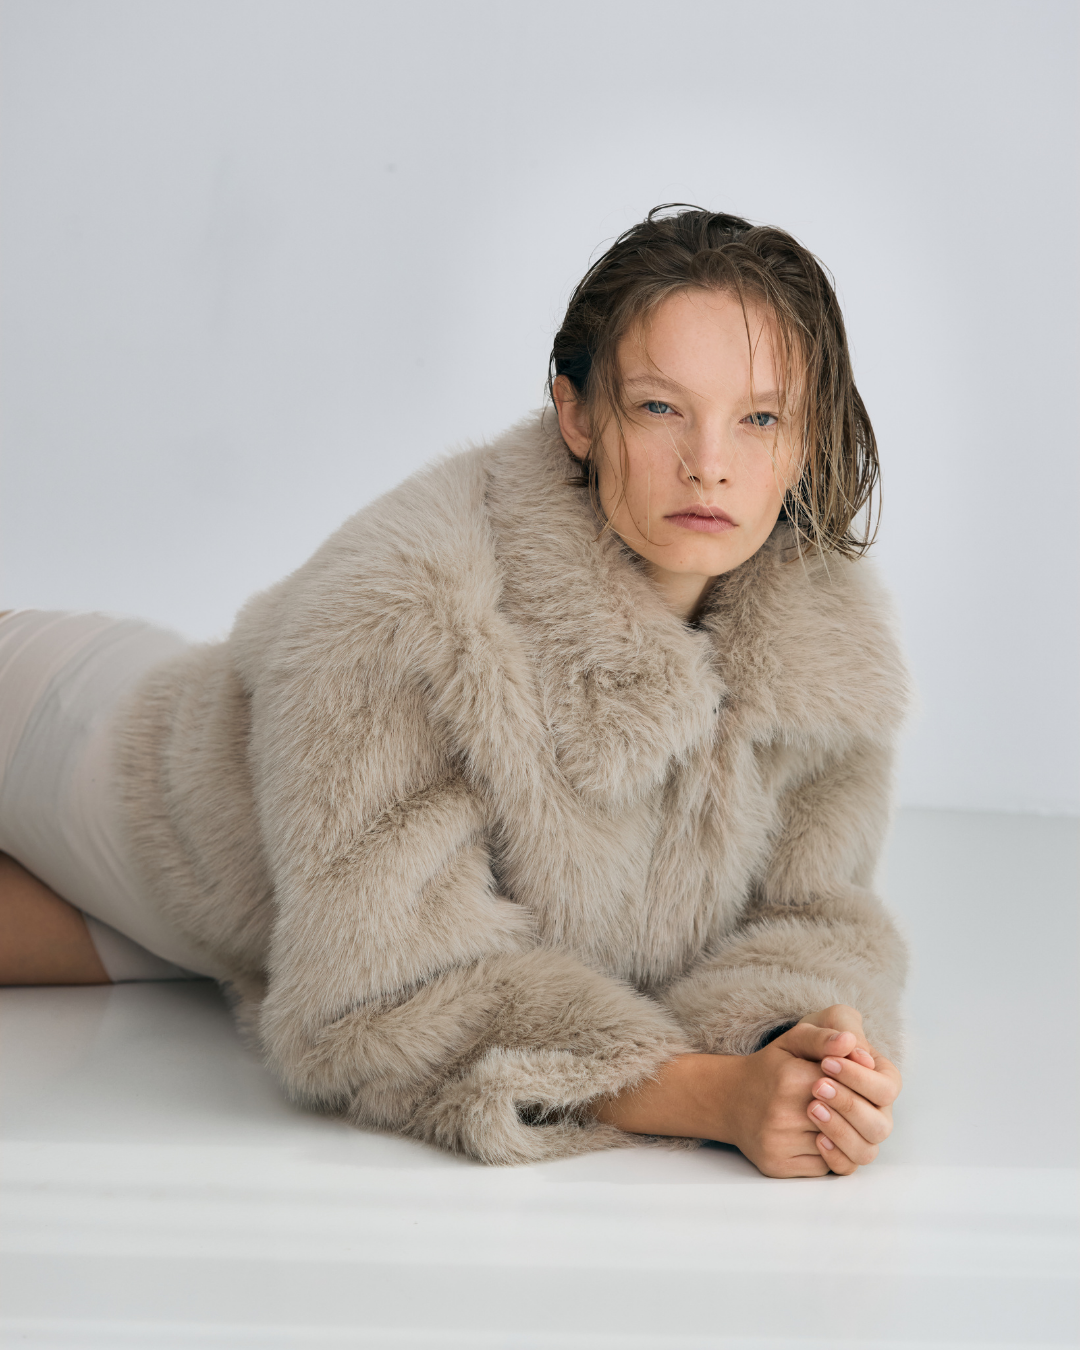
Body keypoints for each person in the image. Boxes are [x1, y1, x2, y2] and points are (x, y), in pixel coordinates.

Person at [0, 206, 907, 1176]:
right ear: (579, 415)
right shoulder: (413, 608)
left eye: (759, 417)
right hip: (89, 748)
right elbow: (374, 1009)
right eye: (658, 407)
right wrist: (707, 1092)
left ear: (806, 439)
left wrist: (798, 1053)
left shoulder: (822, 648)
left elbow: (819, 915)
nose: (711, 462)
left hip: (241, 911)